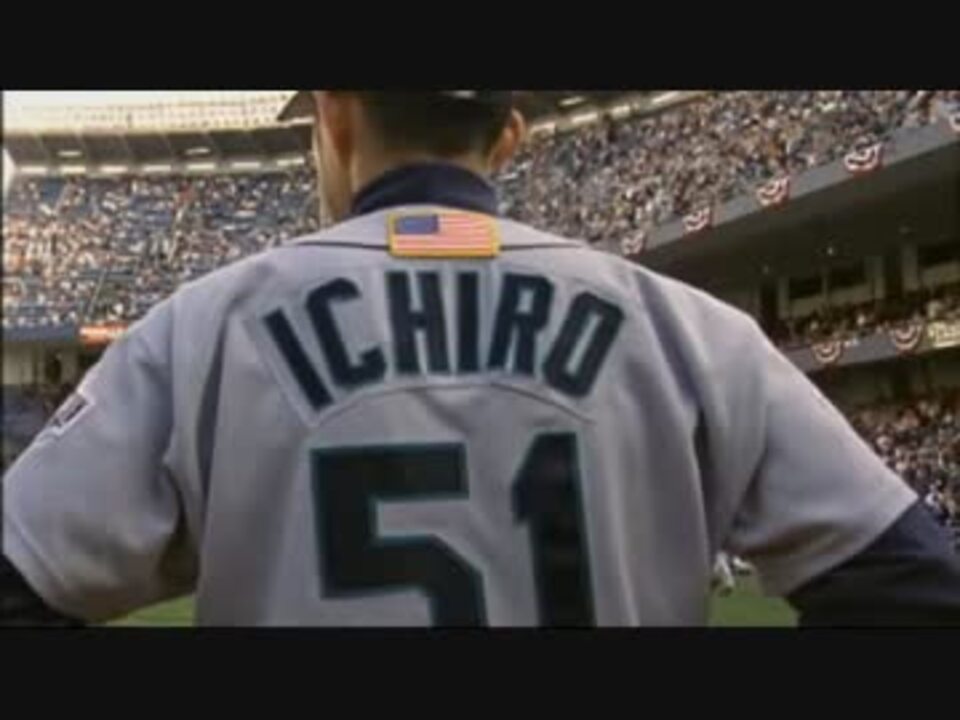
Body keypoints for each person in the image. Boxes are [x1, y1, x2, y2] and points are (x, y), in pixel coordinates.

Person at [3, 90, 960, 627]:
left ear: (334, 115)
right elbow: (915, 591)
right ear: (508, 137)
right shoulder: (693, 331)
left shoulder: (203, 328)